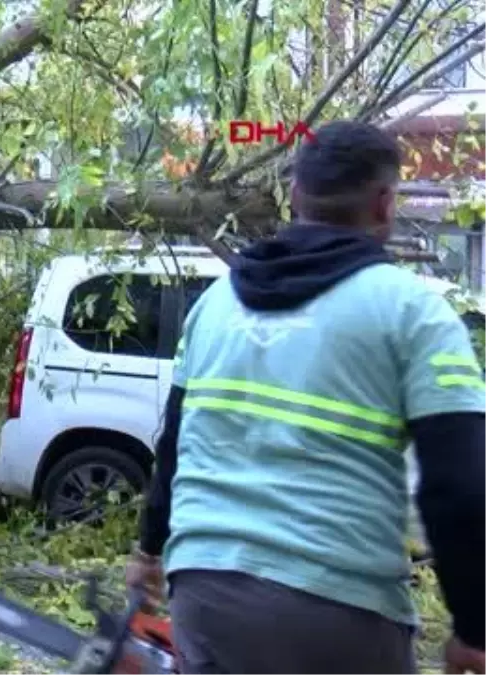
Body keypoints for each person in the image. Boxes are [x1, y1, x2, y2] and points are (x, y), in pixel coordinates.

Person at [125, 120, 486, 675]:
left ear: (293, 196)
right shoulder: (413, 312)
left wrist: (148, 553)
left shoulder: (216, 305)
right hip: (340, 609)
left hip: (204, 591)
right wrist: (474, 627)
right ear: (386, 204)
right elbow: (459, 486)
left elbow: (173, 447)